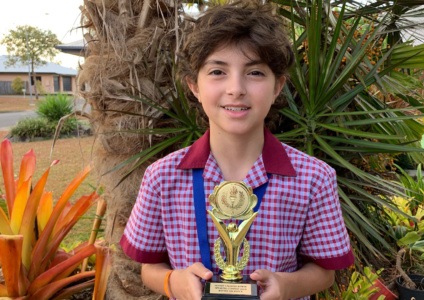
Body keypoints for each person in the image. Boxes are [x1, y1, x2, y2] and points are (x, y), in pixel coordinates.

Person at [120, 1, 354, 299]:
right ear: (194, 85)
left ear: (277, 86)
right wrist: (173, 281)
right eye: (218, 71)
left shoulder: (314, 177)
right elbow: (149, 267)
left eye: (255, 73)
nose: (236, 88)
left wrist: (285, 287)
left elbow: (324, 272)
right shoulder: (161, 177)